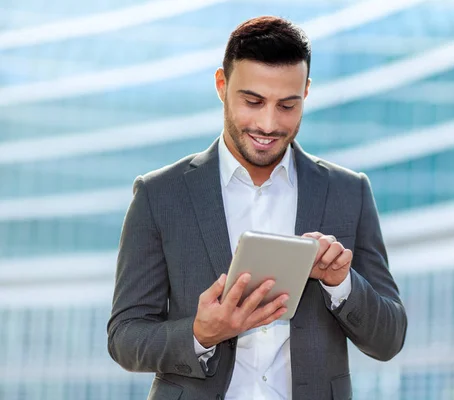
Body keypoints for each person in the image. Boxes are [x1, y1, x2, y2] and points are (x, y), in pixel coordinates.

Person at [107, 15, 407, 400]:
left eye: (287, 105)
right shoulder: (159, 195)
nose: (268, 123)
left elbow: (389, 339)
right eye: (253, 102)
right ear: (222, 85)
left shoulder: (349, 192)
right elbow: (125, 337)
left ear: (306, 93)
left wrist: (342, 283)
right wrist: (201, 334)